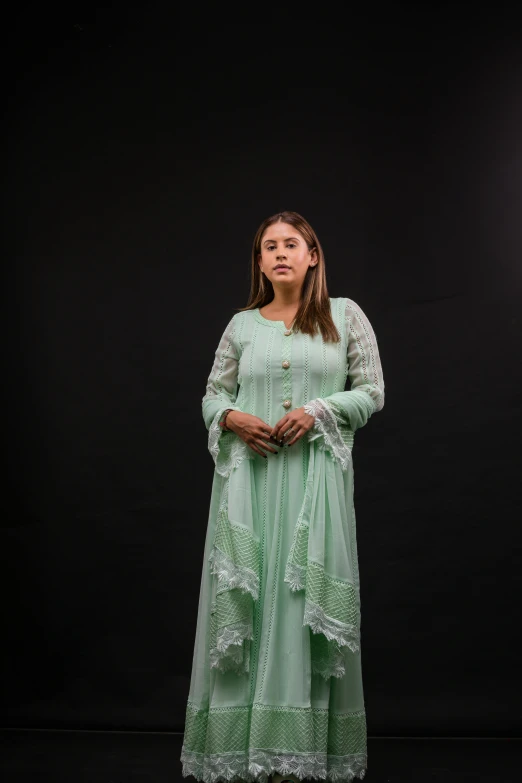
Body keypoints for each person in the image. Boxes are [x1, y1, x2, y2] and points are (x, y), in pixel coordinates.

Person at [180, 210, 385, 783]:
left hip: (315, 489)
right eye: (268, 246)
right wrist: (232, 417)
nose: (279, 253)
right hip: (249, 488)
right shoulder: (241, 326)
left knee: (301, 605)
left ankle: (296, 758)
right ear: (260, 260)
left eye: (291, 243)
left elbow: (372, 391)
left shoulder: (345, 317)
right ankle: (240, 754)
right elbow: (211, 395)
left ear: (312, 254)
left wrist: (320, 409)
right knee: (248, 604)